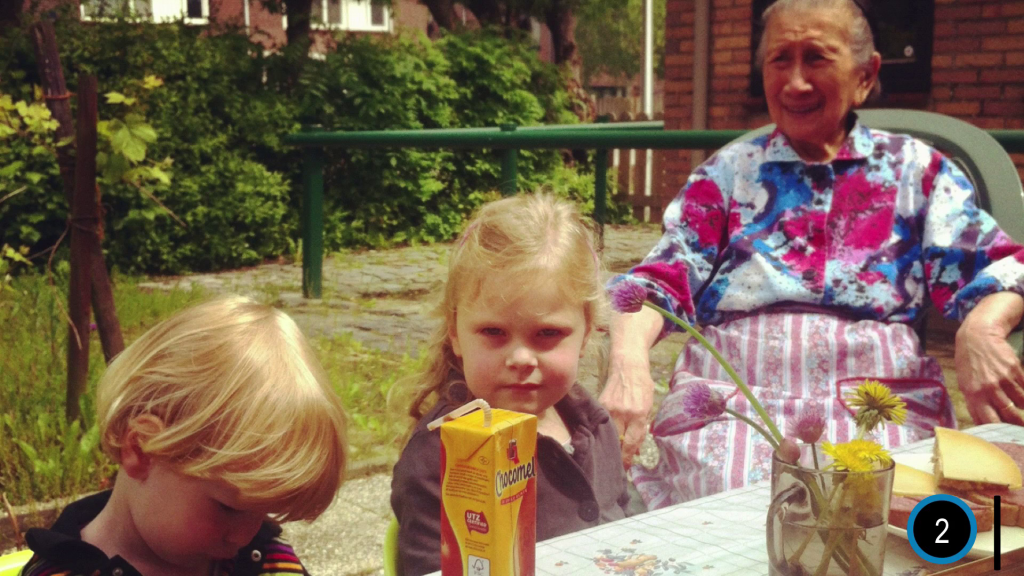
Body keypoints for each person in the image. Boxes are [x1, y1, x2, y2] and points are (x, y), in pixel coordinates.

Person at [602, 0, 1024, 510]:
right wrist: (627, 363)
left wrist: (981, 328)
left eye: (817, 58)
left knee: (880, 512)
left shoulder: (917, 171)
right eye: (780, 59)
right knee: (729, 510)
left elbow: (1002, 267)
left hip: (874, 399)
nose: (795, 82)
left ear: (866, 76)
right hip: (737, 396)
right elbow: (654, 285)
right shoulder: (729, 173)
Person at [391, 194, 632, 576]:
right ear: (456, 332)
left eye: (547, 333)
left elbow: (631, 519)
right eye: (493, 331)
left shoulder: (592, 421)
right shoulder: (445, 455)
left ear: (587, 334)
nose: (521, 358)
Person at [21, 296, 348, 576]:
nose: (245, 536)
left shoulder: (264, 561)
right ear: (142, 449)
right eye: (229, 509)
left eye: (263, 512)